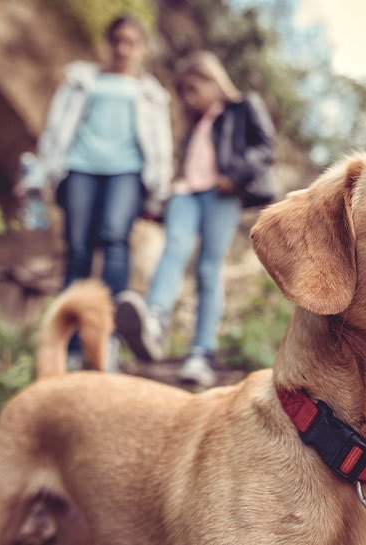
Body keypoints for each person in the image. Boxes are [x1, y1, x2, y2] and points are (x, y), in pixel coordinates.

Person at [17, 14, 173, 371]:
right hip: (79, 168)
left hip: (128, 173)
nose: (123, 49)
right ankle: (70, 346)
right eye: (117, 40)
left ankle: (108, 341)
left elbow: (161, 146)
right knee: (77, 251)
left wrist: (158, 191)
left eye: (131, 42)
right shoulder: (81, 80)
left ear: (142, 49)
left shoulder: (151, 94)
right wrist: (39, 174)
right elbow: (55, 130)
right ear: (109, 43)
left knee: (115, 241)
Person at [115, 50, 276, 387]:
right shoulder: (194, 125)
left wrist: (235, 175)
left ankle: (201, 352)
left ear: (212, 80)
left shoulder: (243, 107)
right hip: (186, 193)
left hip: (222, 194)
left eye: (192, 89)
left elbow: (265, 147)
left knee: (208, 268)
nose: (188, 99)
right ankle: (155, 323)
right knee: (174, 248)